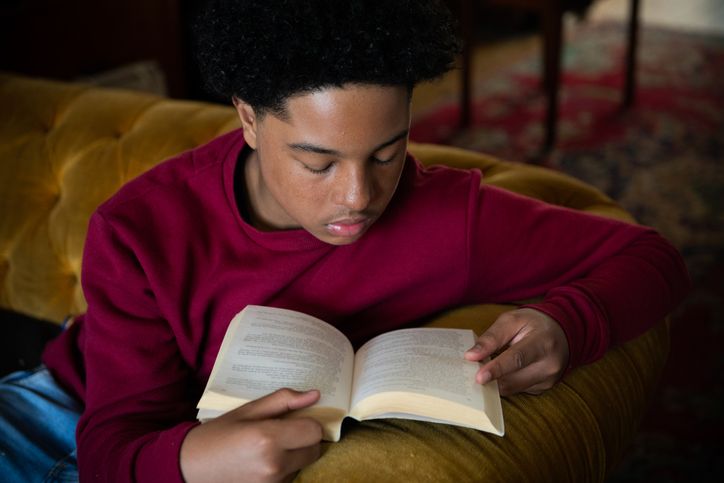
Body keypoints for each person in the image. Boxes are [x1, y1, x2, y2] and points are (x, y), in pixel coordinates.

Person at [0, 0, 691, 482]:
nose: (358, 196)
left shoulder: (447, 217)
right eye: (317, 162)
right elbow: (109, 449)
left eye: (388, 152)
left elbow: (651, 256)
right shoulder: (139, 231)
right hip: (61, 408)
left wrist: (567, 325)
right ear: (247, 118)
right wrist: (193, 461)